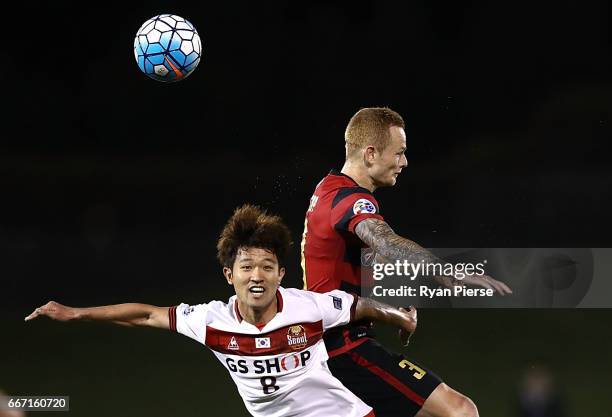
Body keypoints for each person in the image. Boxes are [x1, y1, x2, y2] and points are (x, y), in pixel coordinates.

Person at [26, 204, 419, 417]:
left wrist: (400, 315)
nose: (257, 276)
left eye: (267, 267)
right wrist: (76, 313)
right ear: (230, 275)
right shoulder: (210, 320)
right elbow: (146, 314)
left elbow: (359, 305)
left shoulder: (308, 308)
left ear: (282, 274)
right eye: (247, 267)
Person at [301, 107, 512, 417]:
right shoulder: (350, 199)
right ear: (370, 153)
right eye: (398, 153)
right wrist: (446, 271)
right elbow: (385, 241)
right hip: (343, 351)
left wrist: (392, 313)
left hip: (325, 348)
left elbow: (337, 276)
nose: (404, 162)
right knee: (460, 411)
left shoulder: (327, 189)